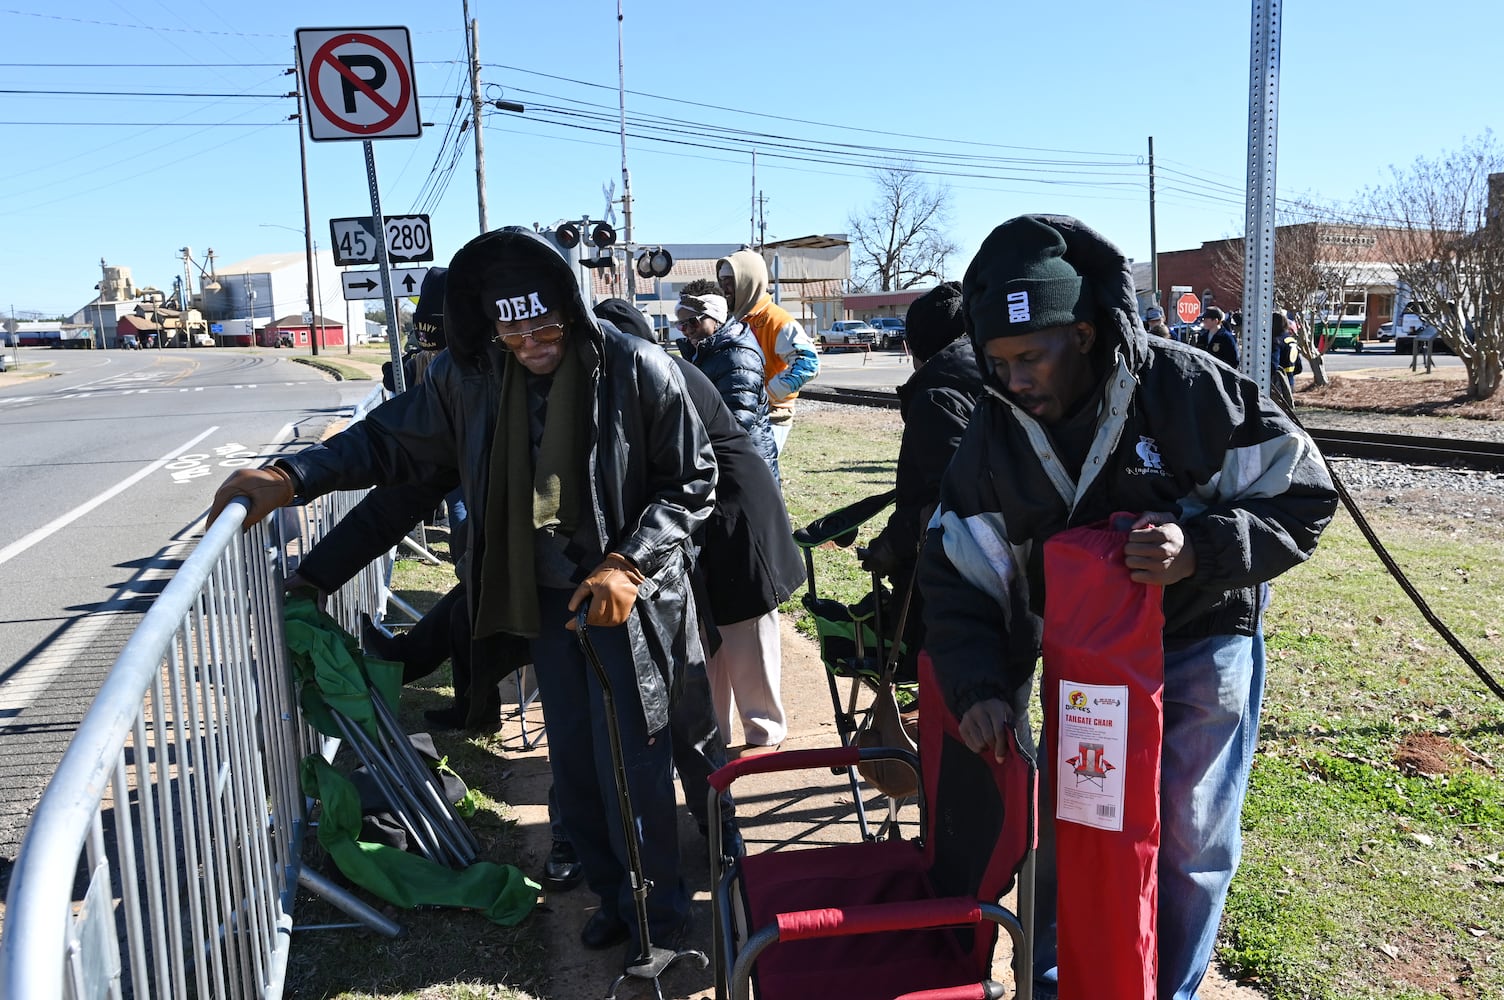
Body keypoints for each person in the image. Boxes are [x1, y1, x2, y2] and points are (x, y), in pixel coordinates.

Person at [209, 226, 717, 958]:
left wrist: (630, 562)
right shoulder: (468, 376)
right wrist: (292, 476)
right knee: (575, 768)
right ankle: (612, 896)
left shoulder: (637, 368)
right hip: (544, 604)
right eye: (513, 330)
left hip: (627, 606)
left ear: (570, 313)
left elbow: (691, 482)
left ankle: (660, 917)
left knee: (633, 769)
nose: (530, 343)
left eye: (545, 327)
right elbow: (387, 442)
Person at [918, 214, 1338, 1000]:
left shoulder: (1186, 390)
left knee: (1188, 839)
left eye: (1029, 358)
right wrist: (976, 687)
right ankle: (1057, 986)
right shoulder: (992, 439)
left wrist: (1200, 550)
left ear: (1079, 334)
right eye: (998, 362)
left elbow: (1303, 495)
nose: (1014, 381)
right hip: (1085, 672)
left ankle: (1165, 988)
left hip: (1201, 644)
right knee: (1076, 831)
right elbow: (959, 575)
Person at [601, 297, 803, 752]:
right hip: (706, 513)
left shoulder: (657, 371)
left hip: (735, 506)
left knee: (745, 626)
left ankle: (763, 738)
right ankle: (715, 739)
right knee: (708, 629)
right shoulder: (645, 369)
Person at [858, 281, 982, 681]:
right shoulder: (993, 373)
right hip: (1001, 564)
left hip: (949, 578)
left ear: (914, 347)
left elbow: (942, 501)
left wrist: (890, 546)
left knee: (942, 690)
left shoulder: (936, 396)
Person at [715, 248, 820, 456]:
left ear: (749, 280)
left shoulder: (776, 320)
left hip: (773, 416)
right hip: (744, 412)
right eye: (721, 280)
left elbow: (809, 363)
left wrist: (768, 393)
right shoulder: (736, 318)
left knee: (762, 477)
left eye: (730, 280)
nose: (724, 288)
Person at [672, 280, 780, 482]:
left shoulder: (737, 357)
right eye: (681, 324)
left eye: (692, 322)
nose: (686, 330)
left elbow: (735, 425)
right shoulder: (706, 352)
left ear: (716, 318)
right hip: (729, 462)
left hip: (747, 470)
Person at [1272, 311, 1301, 391]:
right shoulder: (1292, 340)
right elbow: (1299, 368)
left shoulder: (1276, 341)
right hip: (1290, 381)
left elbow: (1273, 365)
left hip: (1277, 384)